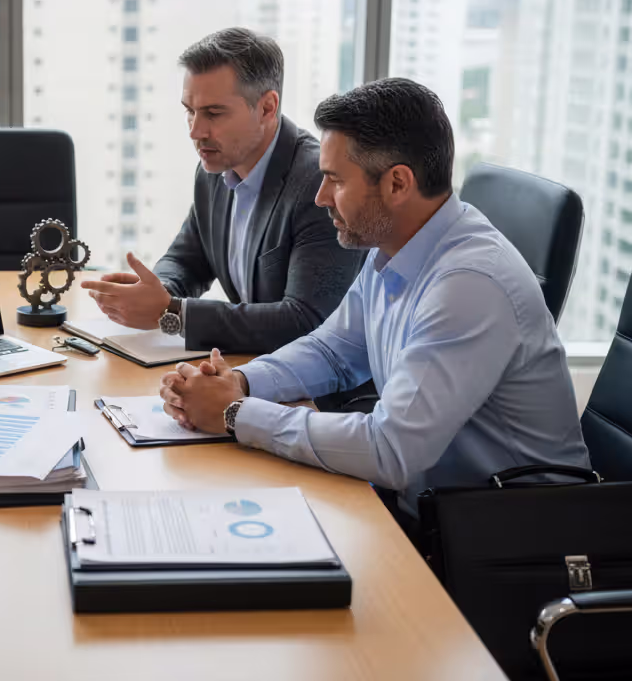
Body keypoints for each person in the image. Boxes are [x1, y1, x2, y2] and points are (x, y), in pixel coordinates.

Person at [159, 77, 590, 517]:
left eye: (334, 180)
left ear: (397, 184)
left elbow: (390, 451)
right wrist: (243, 382)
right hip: (439, 509)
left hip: (512, 536)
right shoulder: (396, 243)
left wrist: (235, 414)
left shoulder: (469, 285)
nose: (320, 197)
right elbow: (334, 351)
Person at [80, 28, 365, 355]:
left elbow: (307, 321)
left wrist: (173, 313)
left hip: (316, 393)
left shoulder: (319, 183)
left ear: (267, 108)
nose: (195, 131)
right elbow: (188, 260)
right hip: (248, 369)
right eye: (190, 110)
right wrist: (154, 292)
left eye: (214, 113)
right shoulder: (213, 170)